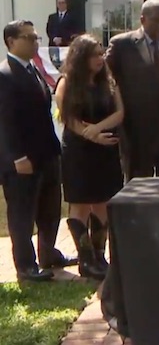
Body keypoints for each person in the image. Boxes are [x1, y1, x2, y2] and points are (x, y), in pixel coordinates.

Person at [0, 20, 77, 281]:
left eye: (36, 37)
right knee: (22, 214)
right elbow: (4, 122)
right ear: (11, 41)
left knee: (50, 209)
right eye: (29, 38)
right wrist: (17, 157)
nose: (36, 42)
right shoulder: (5, 74)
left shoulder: (32, 69)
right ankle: (25, 266)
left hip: (46, 155)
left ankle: (48, 254)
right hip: (22, 160)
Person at [55, 34, 124, 280]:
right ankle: (85, 260)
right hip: (79, 152)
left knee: (103, 201)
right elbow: (68, 118)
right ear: (81, 57)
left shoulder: (108, 81)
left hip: (106, 151)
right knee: (81, 203)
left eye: (101, 52)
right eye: (95, 54)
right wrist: (92, 135)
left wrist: (98, 128)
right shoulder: (67, 83)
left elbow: (119, 113)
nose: (100, 58)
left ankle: (99, 255)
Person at [105, 0, 159, 180]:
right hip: (136, 133)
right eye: (156, 20)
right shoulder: (122, 46)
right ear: (143, 19)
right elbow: (107, 82)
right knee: (138, 188)